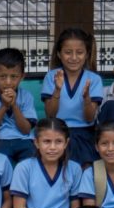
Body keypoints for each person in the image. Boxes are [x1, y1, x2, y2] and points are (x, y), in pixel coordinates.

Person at [10, 118, 82, 208]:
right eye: (46, 141)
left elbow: (75, 206)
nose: (52, 147)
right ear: (36, 142)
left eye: (58, 142)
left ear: (66, 143)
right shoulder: (24, 168)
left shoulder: (74, 169)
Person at [41, 28, 102, 165]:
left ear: (87, 54)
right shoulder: (52, 77)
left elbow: (89, 118)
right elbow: (50, 114)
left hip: (85, 132)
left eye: (79, 52)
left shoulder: (94, 79)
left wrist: (86, 99)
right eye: (68, 52)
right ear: (59, 54)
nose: (74, 57)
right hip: (57, 130)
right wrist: (57, 90)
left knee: (86, 166)